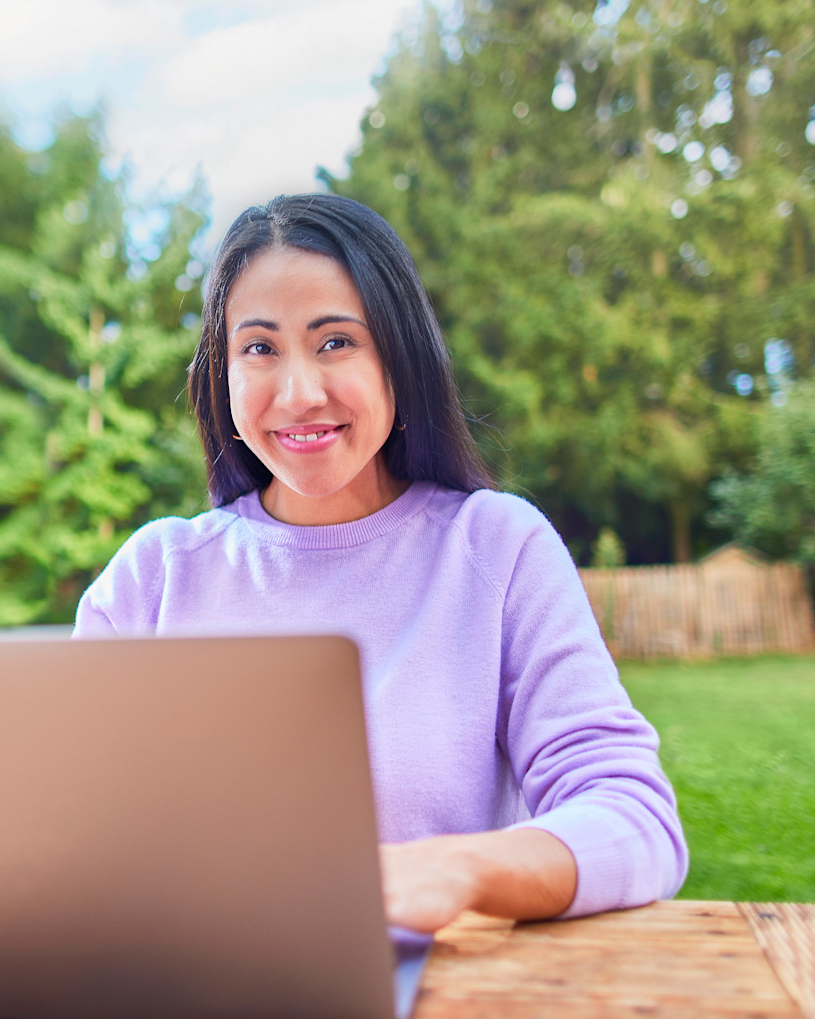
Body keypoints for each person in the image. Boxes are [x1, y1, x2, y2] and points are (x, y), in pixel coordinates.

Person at [73, 193, 686, 933]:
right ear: (222, 372)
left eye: (335, 342)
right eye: (259, 348)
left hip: (440, 1010)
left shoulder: (495, 549)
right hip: (191, 999)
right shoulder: (153, 578)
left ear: (400, 355)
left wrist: (461, 869)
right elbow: (71, 832)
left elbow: (634, 818)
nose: (299, 393)